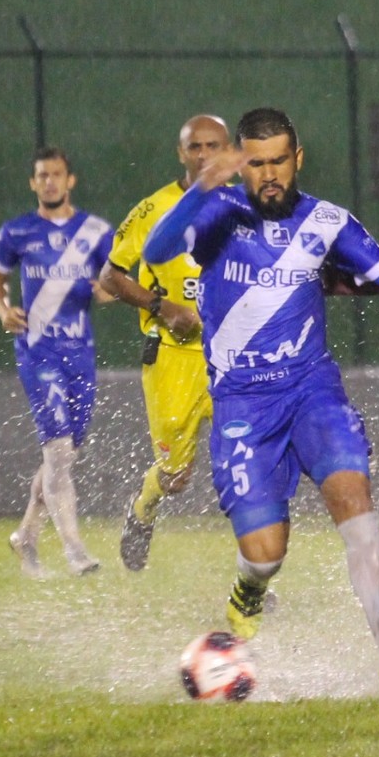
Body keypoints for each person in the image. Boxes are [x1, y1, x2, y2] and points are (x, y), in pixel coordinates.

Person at [144, 107, 379, 706]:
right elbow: (160, 251)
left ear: (299, 159)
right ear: (242, 163)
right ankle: (249, 587)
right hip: (242, 403)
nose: (268, 175)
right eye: (256, 164)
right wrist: (203, 187)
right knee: (265, 554)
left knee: (358, 512)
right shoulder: (219, 214)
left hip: (313, 391)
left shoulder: (327, 221)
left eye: (278, 162)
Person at [99, 115, 228, 571]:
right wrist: (163, 307)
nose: (204, 154)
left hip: (232, 357)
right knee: (176, 476)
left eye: (214, 145)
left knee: (248, 468)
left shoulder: (244, 203)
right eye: (195, 146)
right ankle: (143, 509)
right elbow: (110, 275)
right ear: (182, 152)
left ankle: (254, 573)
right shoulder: (155, 209)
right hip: (174, 358)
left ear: (227, 150)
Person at [0, 147, 114, 578]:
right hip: (37, 350)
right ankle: (75, 549)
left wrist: (106, 291)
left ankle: (25, 535)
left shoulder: (95, 231)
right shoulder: (16, 232)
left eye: (56, 175)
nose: (50, 182)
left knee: (63, 457)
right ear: (33, 182)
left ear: (70, 179)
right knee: (58, 450)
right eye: (42, 175)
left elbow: (112, 282)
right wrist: (3, 309)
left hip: (80, 351)